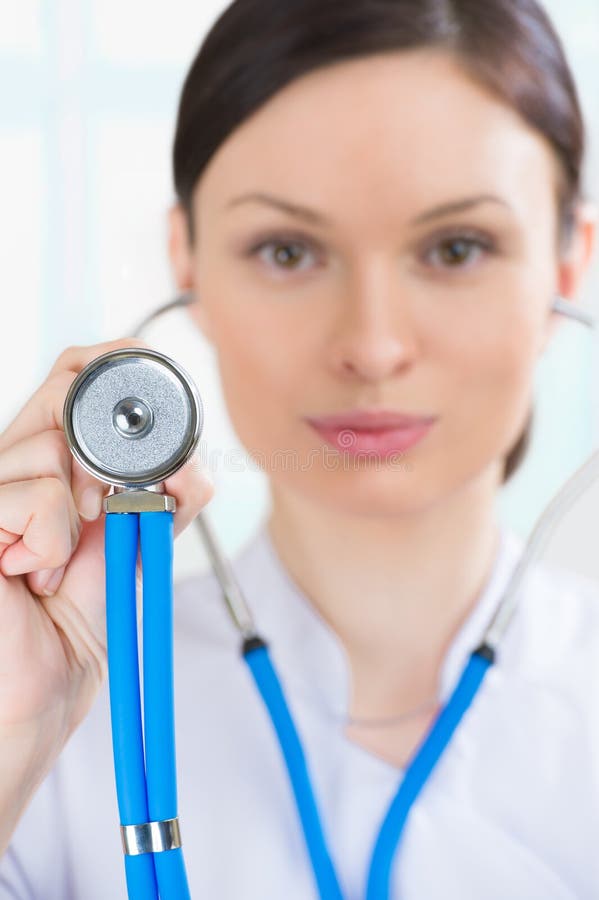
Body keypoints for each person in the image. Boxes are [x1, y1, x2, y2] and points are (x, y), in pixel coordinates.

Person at [1, 0, 598, 897]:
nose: (372, 343)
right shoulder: (51, 719)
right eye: (287, 250)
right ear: (187, 264)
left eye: (456, 246)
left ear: (565, 267)